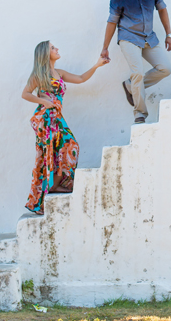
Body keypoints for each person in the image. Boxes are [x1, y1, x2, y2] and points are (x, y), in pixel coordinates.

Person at [21, 41, 108, 215]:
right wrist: (43, 101)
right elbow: (25, 94)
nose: (57, 49)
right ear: (45, 54)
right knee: (49, 155)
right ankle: (43, 198)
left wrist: (97, 65)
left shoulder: (59, 73)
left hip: (57, 118)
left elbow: (81, 78)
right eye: (53, 48)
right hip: (46, 119)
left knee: (70, 146)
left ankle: (54, 185)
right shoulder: (39, 75)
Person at [101, 0, 171, 124]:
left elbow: (162, 10)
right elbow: (112, 22)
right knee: (137, 73)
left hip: (149, 37)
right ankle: (139, 114)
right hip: (128, 37)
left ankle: (131, 85)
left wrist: (169, 34)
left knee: (165, 68)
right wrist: (105, 47)